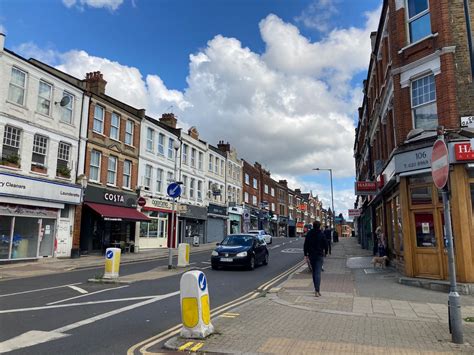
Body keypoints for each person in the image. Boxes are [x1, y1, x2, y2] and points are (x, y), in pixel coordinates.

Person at [304, 221, 328, 297]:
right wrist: (326, 252)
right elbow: (326, 244)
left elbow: (305, 245)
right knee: (318, 272)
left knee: (314, 272)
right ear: (319, 226)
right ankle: (317, 291)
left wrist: (305, 254)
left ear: (313, 226)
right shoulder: (321, 234)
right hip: (319, 255)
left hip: (311, 255)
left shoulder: (309, 233)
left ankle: (316, 289)